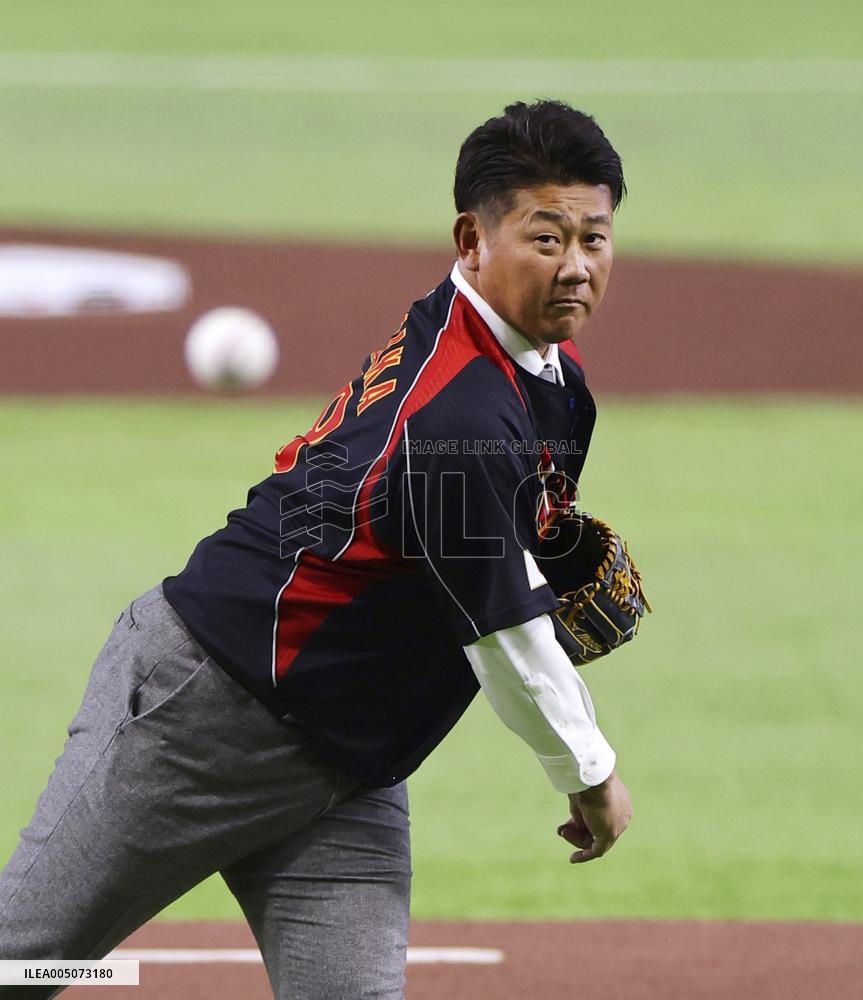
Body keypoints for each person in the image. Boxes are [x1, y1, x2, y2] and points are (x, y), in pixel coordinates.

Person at [0, 99, 633, 999]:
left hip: (349, 767)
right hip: (200, 720)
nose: (575, 267)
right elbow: (501, 637)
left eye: (595, 239)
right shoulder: (454, 415)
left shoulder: (548, 379)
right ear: (471, 240)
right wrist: (589, 770)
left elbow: (472, 545)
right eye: (545, 238)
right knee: (22, 961)